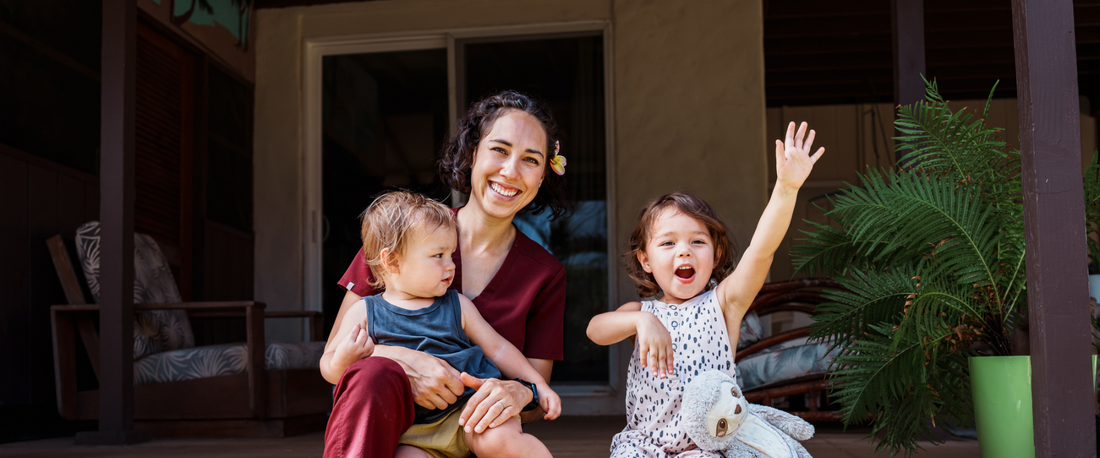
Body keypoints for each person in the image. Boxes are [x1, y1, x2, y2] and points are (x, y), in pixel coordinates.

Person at [322, 91, 570, 458]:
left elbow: (536, 402)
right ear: (472, 153)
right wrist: (402, 361)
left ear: (544, 173)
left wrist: (521, 392)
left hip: (479, 434)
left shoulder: (544, 274)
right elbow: (336, 360)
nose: (511, 171)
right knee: (373, 375)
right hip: (399, 437)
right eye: (499, 150)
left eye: (530, 159)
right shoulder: (402, 237)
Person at [587, 122, 824, 457]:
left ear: (716, 256)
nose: (684, 250)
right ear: (646, 260)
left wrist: (786, 188)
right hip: (644, 445)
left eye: (697, 241)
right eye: (668, 243)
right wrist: (641, 322)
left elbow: (761, 251)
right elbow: (595, 329)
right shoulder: (642, 314)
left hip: (706, 447)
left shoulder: (724, 304)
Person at [324, 190, 560, 458]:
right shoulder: (364, 312)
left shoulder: (457, 305)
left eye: (451, 254)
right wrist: (343, 359)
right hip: (413, 431)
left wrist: (536, 385)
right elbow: (330, 367)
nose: (450, 266)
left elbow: (499, 349)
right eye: (438, 255)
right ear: (392, 260)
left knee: (500, 440)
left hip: (471, 412)